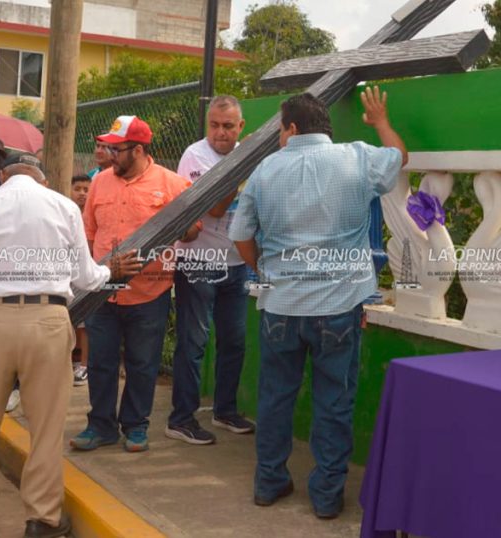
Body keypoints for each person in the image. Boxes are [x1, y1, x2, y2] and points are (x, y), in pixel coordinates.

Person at [228, 88, 407, 518]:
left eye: (279, 130)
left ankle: (269, 483)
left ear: (291, 128)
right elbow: (400, 157)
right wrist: (380, 121)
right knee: (334, 401)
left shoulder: (267, 169)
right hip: (339, 305)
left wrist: (267, 271)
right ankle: (327, 497)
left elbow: (240, 236)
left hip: (281, 305)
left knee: (275, 399)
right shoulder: (358, 157)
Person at [0, 161, 141, 538]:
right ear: (44, 178)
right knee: (46, 427)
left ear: (2, 179)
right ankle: (41, 519)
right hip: (48, 318)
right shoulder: (63, 206)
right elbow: (85, 276)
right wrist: (110, 271)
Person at [70, 115, 199, 453]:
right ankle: (101, 425)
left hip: (148, 292)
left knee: (143, 363)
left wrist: (183, 226)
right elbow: (88, 231)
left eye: (117, 149)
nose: (109, 155)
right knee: (100, 361)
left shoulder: (171, 184)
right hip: (102, 292)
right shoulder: (100, 182)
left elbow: (192, 229)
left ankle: (136, 426)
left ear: (138, 150)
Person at [166, 95, 255, 445]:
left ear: (241, 126)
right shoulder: (195, 156)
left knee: (234, 341)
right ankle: (181, 418)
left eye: (228, 126)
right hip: (198, 262)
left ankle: (225, 409)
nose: (220, 133)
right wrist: (243, 163)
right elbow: (216, 209)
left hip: (235, 263)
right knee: (194, 341)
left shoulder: (244, 155)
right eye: (215, 125)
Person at [69, 174, 92, 386]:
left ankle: (84, 365)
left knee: (84, 322)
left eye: (87, 189)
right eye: (78, 188)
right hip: (65, 272)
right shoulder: (65, 211)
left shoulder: (92, 214)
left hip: (86, 273)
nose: (83, 193)